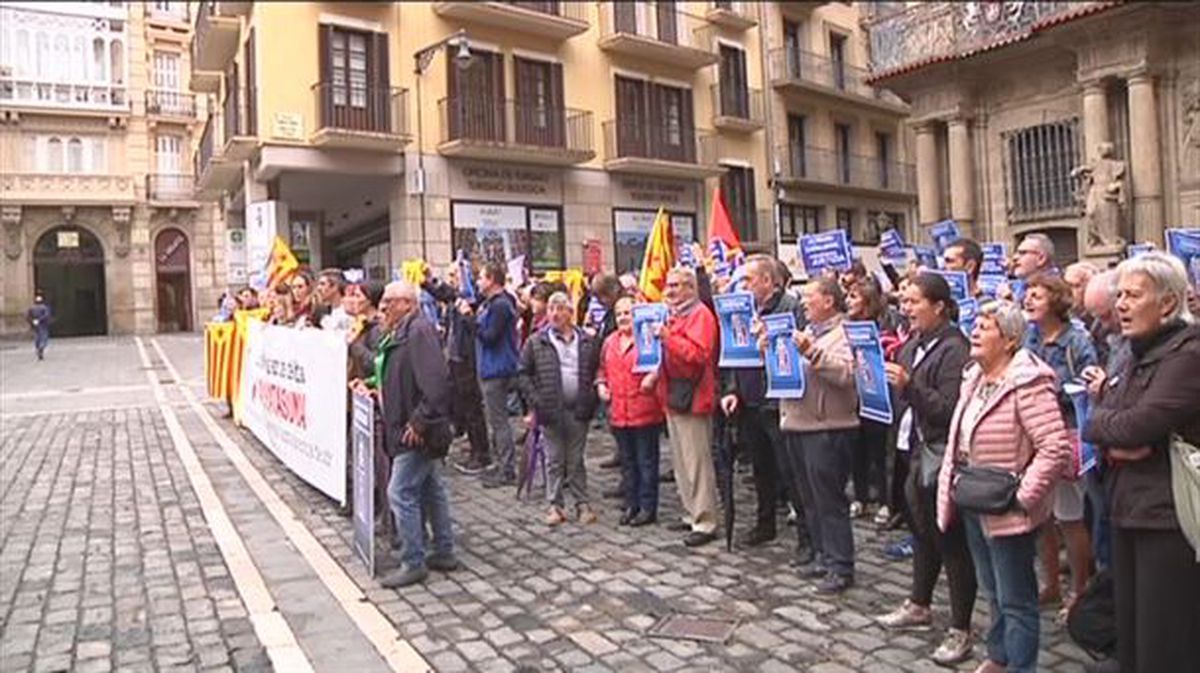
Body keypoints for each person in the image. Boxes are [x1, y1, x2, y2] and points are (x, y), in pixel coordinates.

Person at [1081, 252, 1200, 673]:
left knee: (1164, 642)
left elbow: (1139, 424)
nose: (1122, 305)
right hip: (1128, 508)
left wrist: (1117, 430)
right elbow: (1102, 419)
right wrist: (1116, 434)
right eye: (1120, 295)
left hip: (1167, 520)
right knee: (1131, 638)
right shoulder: (1135, 351)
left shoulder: (1188, 353)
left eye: (1133, 295)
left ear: (1167, 303)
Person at [936, 300, 1070, 673]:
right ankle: (999, 655)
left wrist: (1024, 497)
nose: (975, 331)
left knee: (1016, 598)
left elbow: (1054, 447)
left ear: (1010, 339)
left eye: (986, 325)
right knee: (992, 588)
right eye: (975, 323)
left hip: (1006, 505)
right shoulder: (974, 378)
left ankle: (1021, 666)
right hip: (973, 497)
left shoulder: (1028, 382)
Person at [876, 273, 978, 664]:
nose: (907, 307)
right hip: (911, 453)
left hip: (939, 456)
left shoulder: (955, 349)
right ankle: (919, 603)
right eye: (904, 300)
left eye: (915, 301)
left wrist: (909, 386)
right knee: (922, 535)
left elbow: (950, 410)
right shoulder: (914, 344)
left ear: (939, 306)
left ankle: (961, 628)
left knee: (950, 543)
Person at [367, 280, 457, 589]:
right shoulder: (403, 332)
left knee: (399, 491)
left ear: (407, 303)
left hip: (416, 431)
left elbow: (436, 383)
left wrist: (419, 422)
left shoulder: (419, 332)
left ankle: (413, 560)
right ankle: (443, 549)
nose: (383, 309)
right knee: (431, 488)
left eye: (389, 303)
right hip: (407, 426)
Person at [779, 275, 860, 594]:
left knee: (829, 500)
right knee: (808, 498)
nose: (803, 302)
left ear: (829, 301)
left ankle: (841, 565)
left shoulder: (846, 334)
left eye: (809, 296)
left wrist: (812, 352)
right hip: (798, 423)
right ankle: (822, 555)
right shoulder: (807, 332)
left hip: (829, 427)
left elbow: (847, 375)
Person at [1022, 272, 1097, 612]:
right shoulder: (1030, 337)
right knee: (1041, 516)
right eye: (1028, 294)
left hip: (1066, 432)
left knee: (1070, 515)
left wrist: (1052, 391)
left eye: (1036, 295)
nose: (1028, 300)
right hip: (1035, 434)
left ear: (1055, 299)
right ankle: (1049, 583)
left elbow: (1088, 387)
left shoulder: (1077, 340)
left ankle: (1080, 589)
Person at [721, 254, 807, 551]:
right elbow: (735, 355)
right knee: (761, 468)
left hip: (778, 401)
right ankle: (765, 522)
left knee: (790, 470)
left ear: (768, 281)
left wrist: (770, 341)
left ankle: (807, 537)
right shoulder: (743, 310)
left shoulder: (790, 307)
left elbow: (799, 350)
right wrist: (732, 389)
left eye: (748, 279)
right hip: (751, 400)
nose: (742, 285)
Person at [518, 292, 601, 526]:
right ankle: (555, 505)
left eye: (560, 308)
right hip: (550, 409)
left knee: (575, 459)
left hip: (579, 408)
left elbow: (597, 370)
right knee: (554, 459)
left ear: (570, 313)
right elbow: (522, 374)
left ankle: (582, 504)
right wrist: (535, 402)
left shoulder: (585, 340)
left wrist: (593, 396)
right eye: (551, 309)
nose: (554, 313)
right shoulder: (536, 341)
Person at [656, 266, 721, 548]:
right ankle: (691, 511)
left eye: (676, 286)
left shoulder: (701, 316)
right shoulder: (674, 315)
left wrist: (669, 339)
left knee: (697, 462)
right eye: (668, 286)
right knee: (681, 462)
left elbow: (698, 354)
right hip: (674, 394)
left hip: (694, 396)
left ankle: (705, 520)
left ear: (691, 289)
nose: (669, 291)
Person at [598, 295, 664, 526]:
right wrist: (601, 386)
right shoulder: (609, 342)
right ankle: (631, 504)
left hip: (644, 409)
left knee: (646, 461)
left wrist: (653, 376)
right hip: (619, 411)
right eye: (619, 314)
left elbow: (660, 364)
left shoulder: (647, 339)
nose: (623, 317)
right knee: (627, 463)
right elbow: (601, 371)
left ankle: (647, 507)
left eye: (628, 312)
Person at [424, 266, 491, 475]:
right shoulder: (457, 298)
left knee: (472, 408)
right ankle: (472, 445)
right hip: (454, 358)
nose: (451, 279)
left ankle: (481, 453)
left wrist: (467, 313)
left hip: (466, 360)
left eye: (455, 275)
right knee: (460, 405)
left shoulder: (471, 299)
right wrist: (426, 280)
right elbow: (445, 294)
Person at [459, 263, 521, 489]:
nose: (478, 282)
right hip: (488, 367)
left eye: (482, 278)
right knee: (494, 420)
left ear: (493, 279)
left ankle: (507, 468)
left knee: (499, 421)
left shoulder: (501, 306)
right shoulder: (491, 303)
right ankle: (500, 462)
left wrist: (469, 320)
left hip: (498, 368)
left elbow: (490, 336)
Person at [845, 276, 900, 523]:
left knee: (880, 451)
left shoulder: (886, 325)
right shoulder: (847, 326)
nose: (848, 301)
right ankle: (860, 496)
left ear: (867, 302)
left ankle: (886, 501)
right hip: (855, 394)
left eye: (854, 297)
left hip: (879, 394)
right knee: (857, 449)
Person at [27, 292, 51, 361]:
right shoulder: (44, 308)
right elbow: (46, 315)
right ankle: (41, 347)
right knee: (44, 337)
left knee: (37, 337)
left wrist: (32, 321)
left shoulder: (31, 308)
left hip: (35, 325)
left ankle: (38, 348)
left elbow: (27, 316)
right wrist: (40, 320)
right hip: (43, 324)